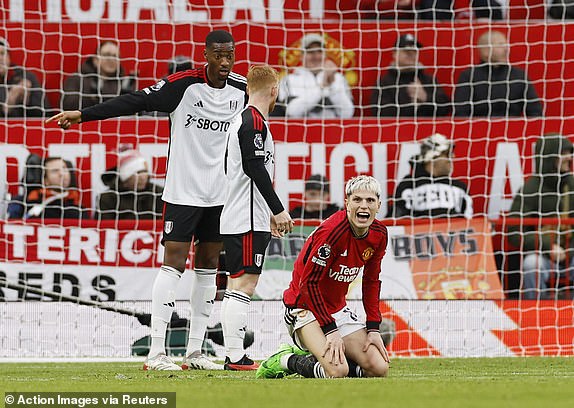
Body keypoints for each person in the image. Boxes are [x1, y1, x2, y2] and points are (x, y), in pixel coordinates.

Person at [47, 30, 248, 371]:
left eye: (229, 55)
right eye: (218, 55)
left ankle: (196, 351)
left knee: (208, 267)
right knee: (173, 263)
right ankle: (157, 352)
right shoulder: (182, 85)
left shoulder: (240, 89)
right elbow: (135, 101)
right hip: (183, 191)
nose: (225, 62)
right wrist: (83, 115)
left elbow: (260, 113)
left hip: (221, 193)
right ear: (206, 54)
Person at [256, 175, 390, 379]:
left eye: (370, 201)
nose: (364, 206)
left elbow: (371, 281)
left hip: (337, 310)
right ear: (347, 203)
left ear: (378, 205)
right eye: (357, 200)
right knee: (337, 371)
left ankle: (320, 354)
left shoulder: (379, 234)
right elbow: (308, 285)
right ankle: (285, 360)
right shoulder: (332, 233)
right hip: (304, 308)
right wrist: (330, 330)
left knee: (379, 368)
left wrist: (373, 328)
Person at [219, 65, 294, 370]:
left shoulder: (245, 120)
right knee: (245, 285)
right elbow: (254, 168)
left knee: (238, 284)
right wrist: (277, 209)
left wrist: (270, 215)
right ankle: (235, 356)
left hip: (243, 214)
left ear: (249, 88)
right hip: (247, 217)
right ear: (274, 90)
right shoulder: (252, 121)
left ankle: (234, 355)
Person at [508, 134, 574, 300]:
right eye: (563, 153)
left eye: (570, 153)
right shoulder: (530, 189)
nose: (569, 157)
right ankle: (536, 314)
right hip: (545, 257)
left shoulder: (572, 184)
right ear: (549, 157)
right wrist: (548, 246)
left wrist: (569, 249)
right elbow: (514, 232)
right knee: (531, 265)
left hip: (572, 255)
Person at [454, 30, 543, 118]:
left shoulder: (519, 76)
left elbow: (535, 111)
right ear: (485, 50)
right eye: (500, 45)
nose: (506, 49)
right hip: (478, 129)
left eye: (506, 45)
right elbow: (461, 113)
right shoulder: (469, 76)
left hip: (513, 129)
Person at [387, 133, 473, 219]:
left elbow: (469, 223)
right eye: (447, 154)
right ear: (433, 157)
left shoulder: (459, 187)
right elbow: (398, 220)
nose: (452, 157)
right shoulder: (408, 185)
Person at [274, 33, 354, 119]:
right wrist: (322, 87)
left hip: (333, 130)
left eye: (319, 51)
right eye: (310, 52)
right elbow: (291, 111)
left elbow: (348, 113)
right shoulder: (288, 80)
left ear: (325, 55)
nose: (316, 56)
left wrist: (332, 85)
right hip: (300, 131)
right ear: (301, 56)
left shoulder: (338, 78)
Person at [370, 34, 450, 118]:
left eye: (414, 51)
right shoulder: (384, 83)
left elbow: (445, 108)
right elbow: (379, 112)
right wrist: (414, 106)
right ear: (394, 53)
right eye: (406, 51)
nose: (411, 54)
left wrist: (425, 97)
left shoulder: (429, 80)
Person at [62, 41, 137, 110]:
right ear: (95, 60)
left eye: (115, 56)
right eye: (107, 55)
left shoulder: (125, 84)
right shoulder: (77, 79)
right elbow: (68, 105)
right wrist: (93, 98)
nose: (111, 59)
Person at [95, 147, 164, 221]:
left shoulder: (158, 193)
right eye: (138, 173)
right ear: (126, 178)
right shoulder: (107, 198)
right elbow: (103, 226)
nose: (143, 177)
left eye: (144, 172)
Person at [0, 37, 51, 117]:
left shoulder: (27, 77)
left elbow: (46, 113)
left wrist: (28, 101)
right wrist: (9, 103)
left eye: (2, 53)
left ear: (9, 58)